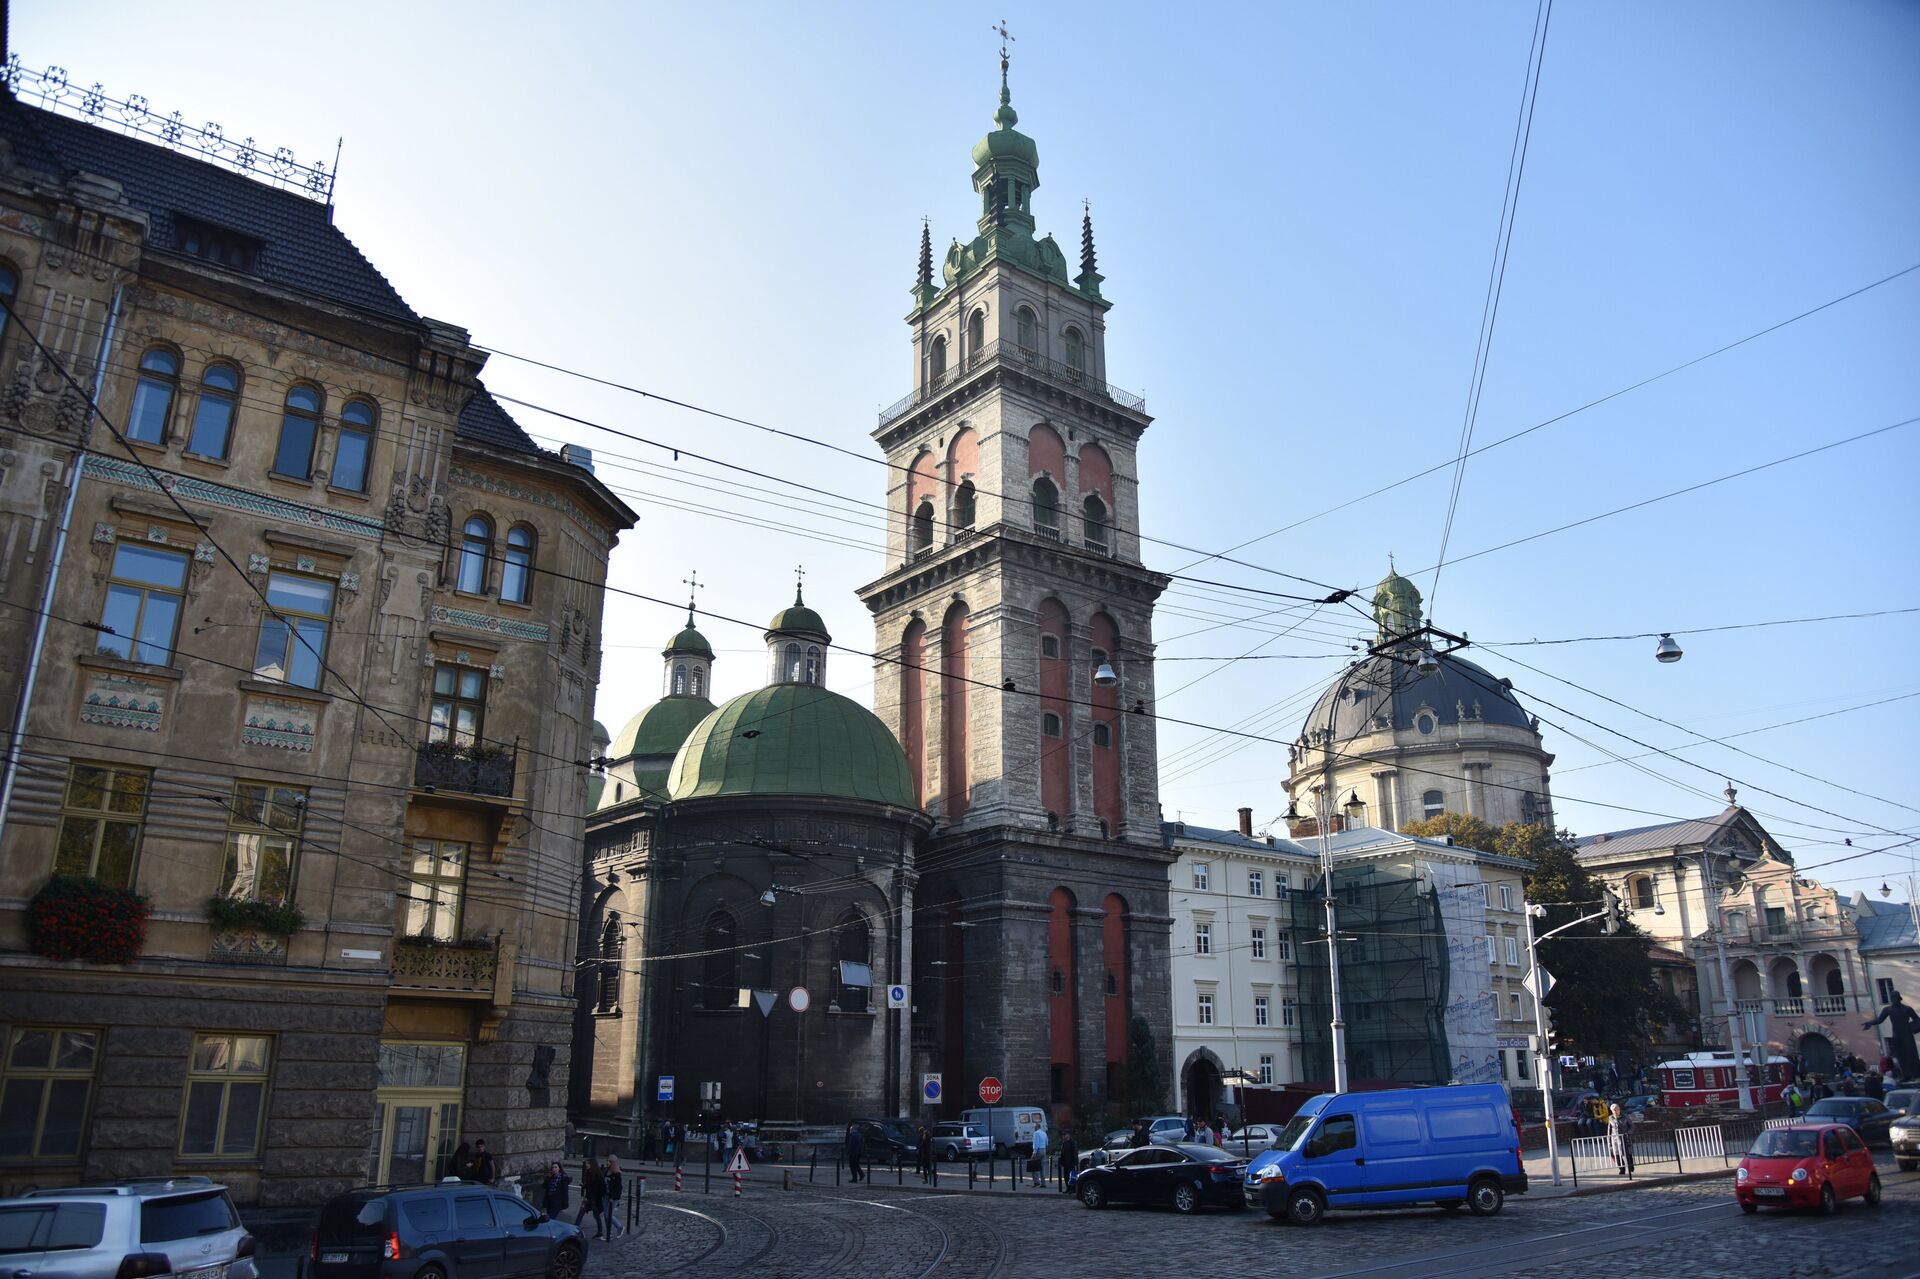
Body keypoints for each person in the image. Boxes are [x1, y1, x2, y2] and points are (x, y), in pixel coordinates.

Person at [577, 1159, 604, 1237]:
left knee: (595, 1215)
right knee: (581, 1213)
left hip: (593, 1198)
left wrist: (598, 1196)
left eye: (588, 1164)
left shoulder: (597, 1175)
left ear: (592, 1164)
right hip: (589, 1197)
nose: (586, 1165)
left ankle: (600, 1232)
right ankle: (575, 1227)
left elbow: (600, 1188)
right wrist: (584, 1186)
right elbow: (590, 1185)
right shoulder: (589, 1173)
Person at [1607, 1102, 1635, 1178]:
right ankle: (1621, 1169)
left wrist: (1628, 1133)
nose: (1616, 1111)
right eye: (1614, 1110)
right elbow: (1609, 1130)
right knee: (1617, 1155)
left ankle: (1630, 1166)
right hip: (1615, 1139)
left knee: (1627, 1153)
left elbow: (1631, 1125)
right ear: (1612, 1111)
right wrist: (1609, 1142)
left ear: (1619, 1109)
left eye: (1617, 1109)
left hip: (1624, 1138)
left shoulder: (1625, 1117)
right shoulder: (1610, 1118)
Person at [1056, 1129, 1078, 1193]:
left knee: (1072, 1177)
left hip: (1071, 1163)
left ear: (1068, 1135)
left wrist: (1075, 1162)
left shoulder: (1073, 1143)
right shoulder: (1064, 1143)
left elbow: (1075, 1153)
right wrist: (1061, 1161)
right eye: (1063, 1135)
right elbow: (1062, 1153)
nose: (1063, 1136)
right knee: (1066, 1177)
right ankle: (1068, 1188)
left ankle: (1072, 1189)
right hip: (1065, 1163)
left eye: (1064, 1134)